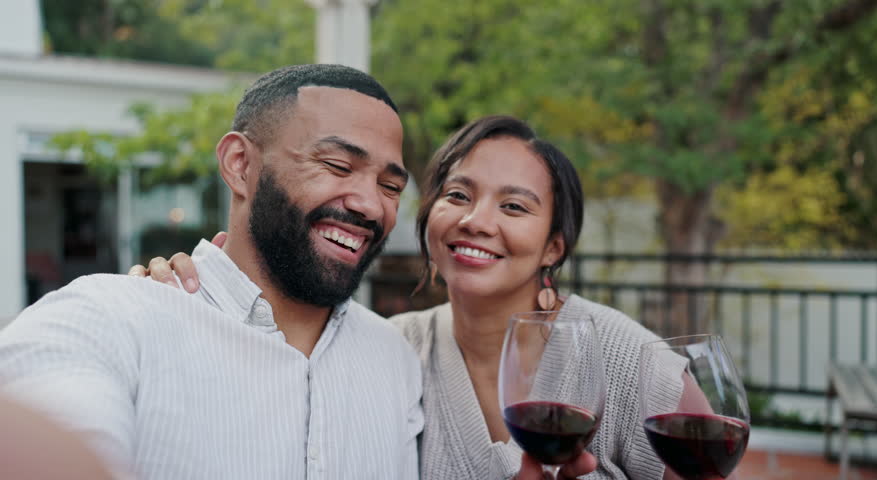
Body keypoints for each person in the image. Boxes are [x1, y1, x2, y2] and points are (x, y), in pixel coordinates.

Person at [141, 115, 699, 479]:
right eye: (458, 195)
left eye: (514, 206)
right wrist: (197, 280)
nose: (476, 221)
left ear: (554, 246)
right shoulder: (391, 350)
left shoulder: (623, 358)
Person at [0, 64, 425, 479]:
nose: (371, 205)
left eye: (390, 188)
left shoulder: (396, 360)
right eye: (337, 165)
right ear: (240, 164)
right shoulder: (111, 320)